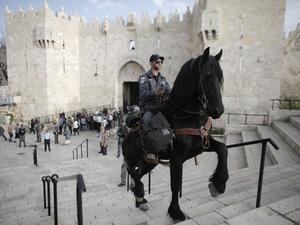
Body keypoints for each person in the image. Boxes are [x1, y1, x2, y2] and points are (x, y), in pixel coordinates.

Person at [138, 54, 171, 163]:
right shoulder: (144, 77)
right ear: (151, 63)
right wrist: (154, 93)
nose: (160, 63)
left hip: (162, 108)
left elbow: (170, 93)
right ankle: (150, 150)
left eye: (161, 62)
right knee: (147, 121)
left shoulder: (163, 80)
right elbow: (143, 95)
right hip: (149, 108)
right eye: (157, 61)